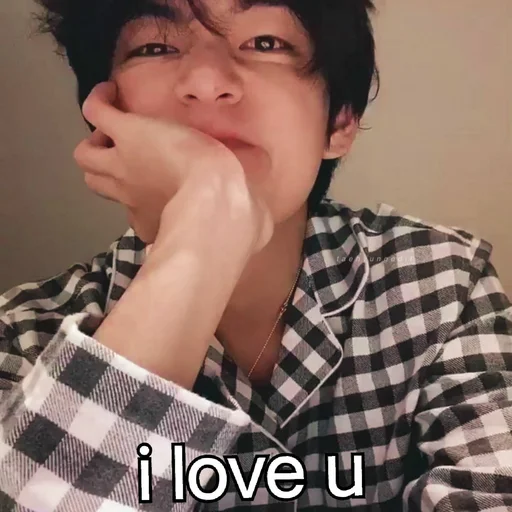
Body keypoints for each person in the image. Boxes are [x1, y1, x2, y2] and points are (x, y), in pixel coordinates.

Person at [1, 0, 511, 510]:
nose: (205, 79)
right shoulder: (23, 338)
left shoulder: (442, 284)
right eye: (154, 47)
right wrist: (205, 227)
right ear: (105, 118)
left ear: (339, 121)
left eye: (266, 42)